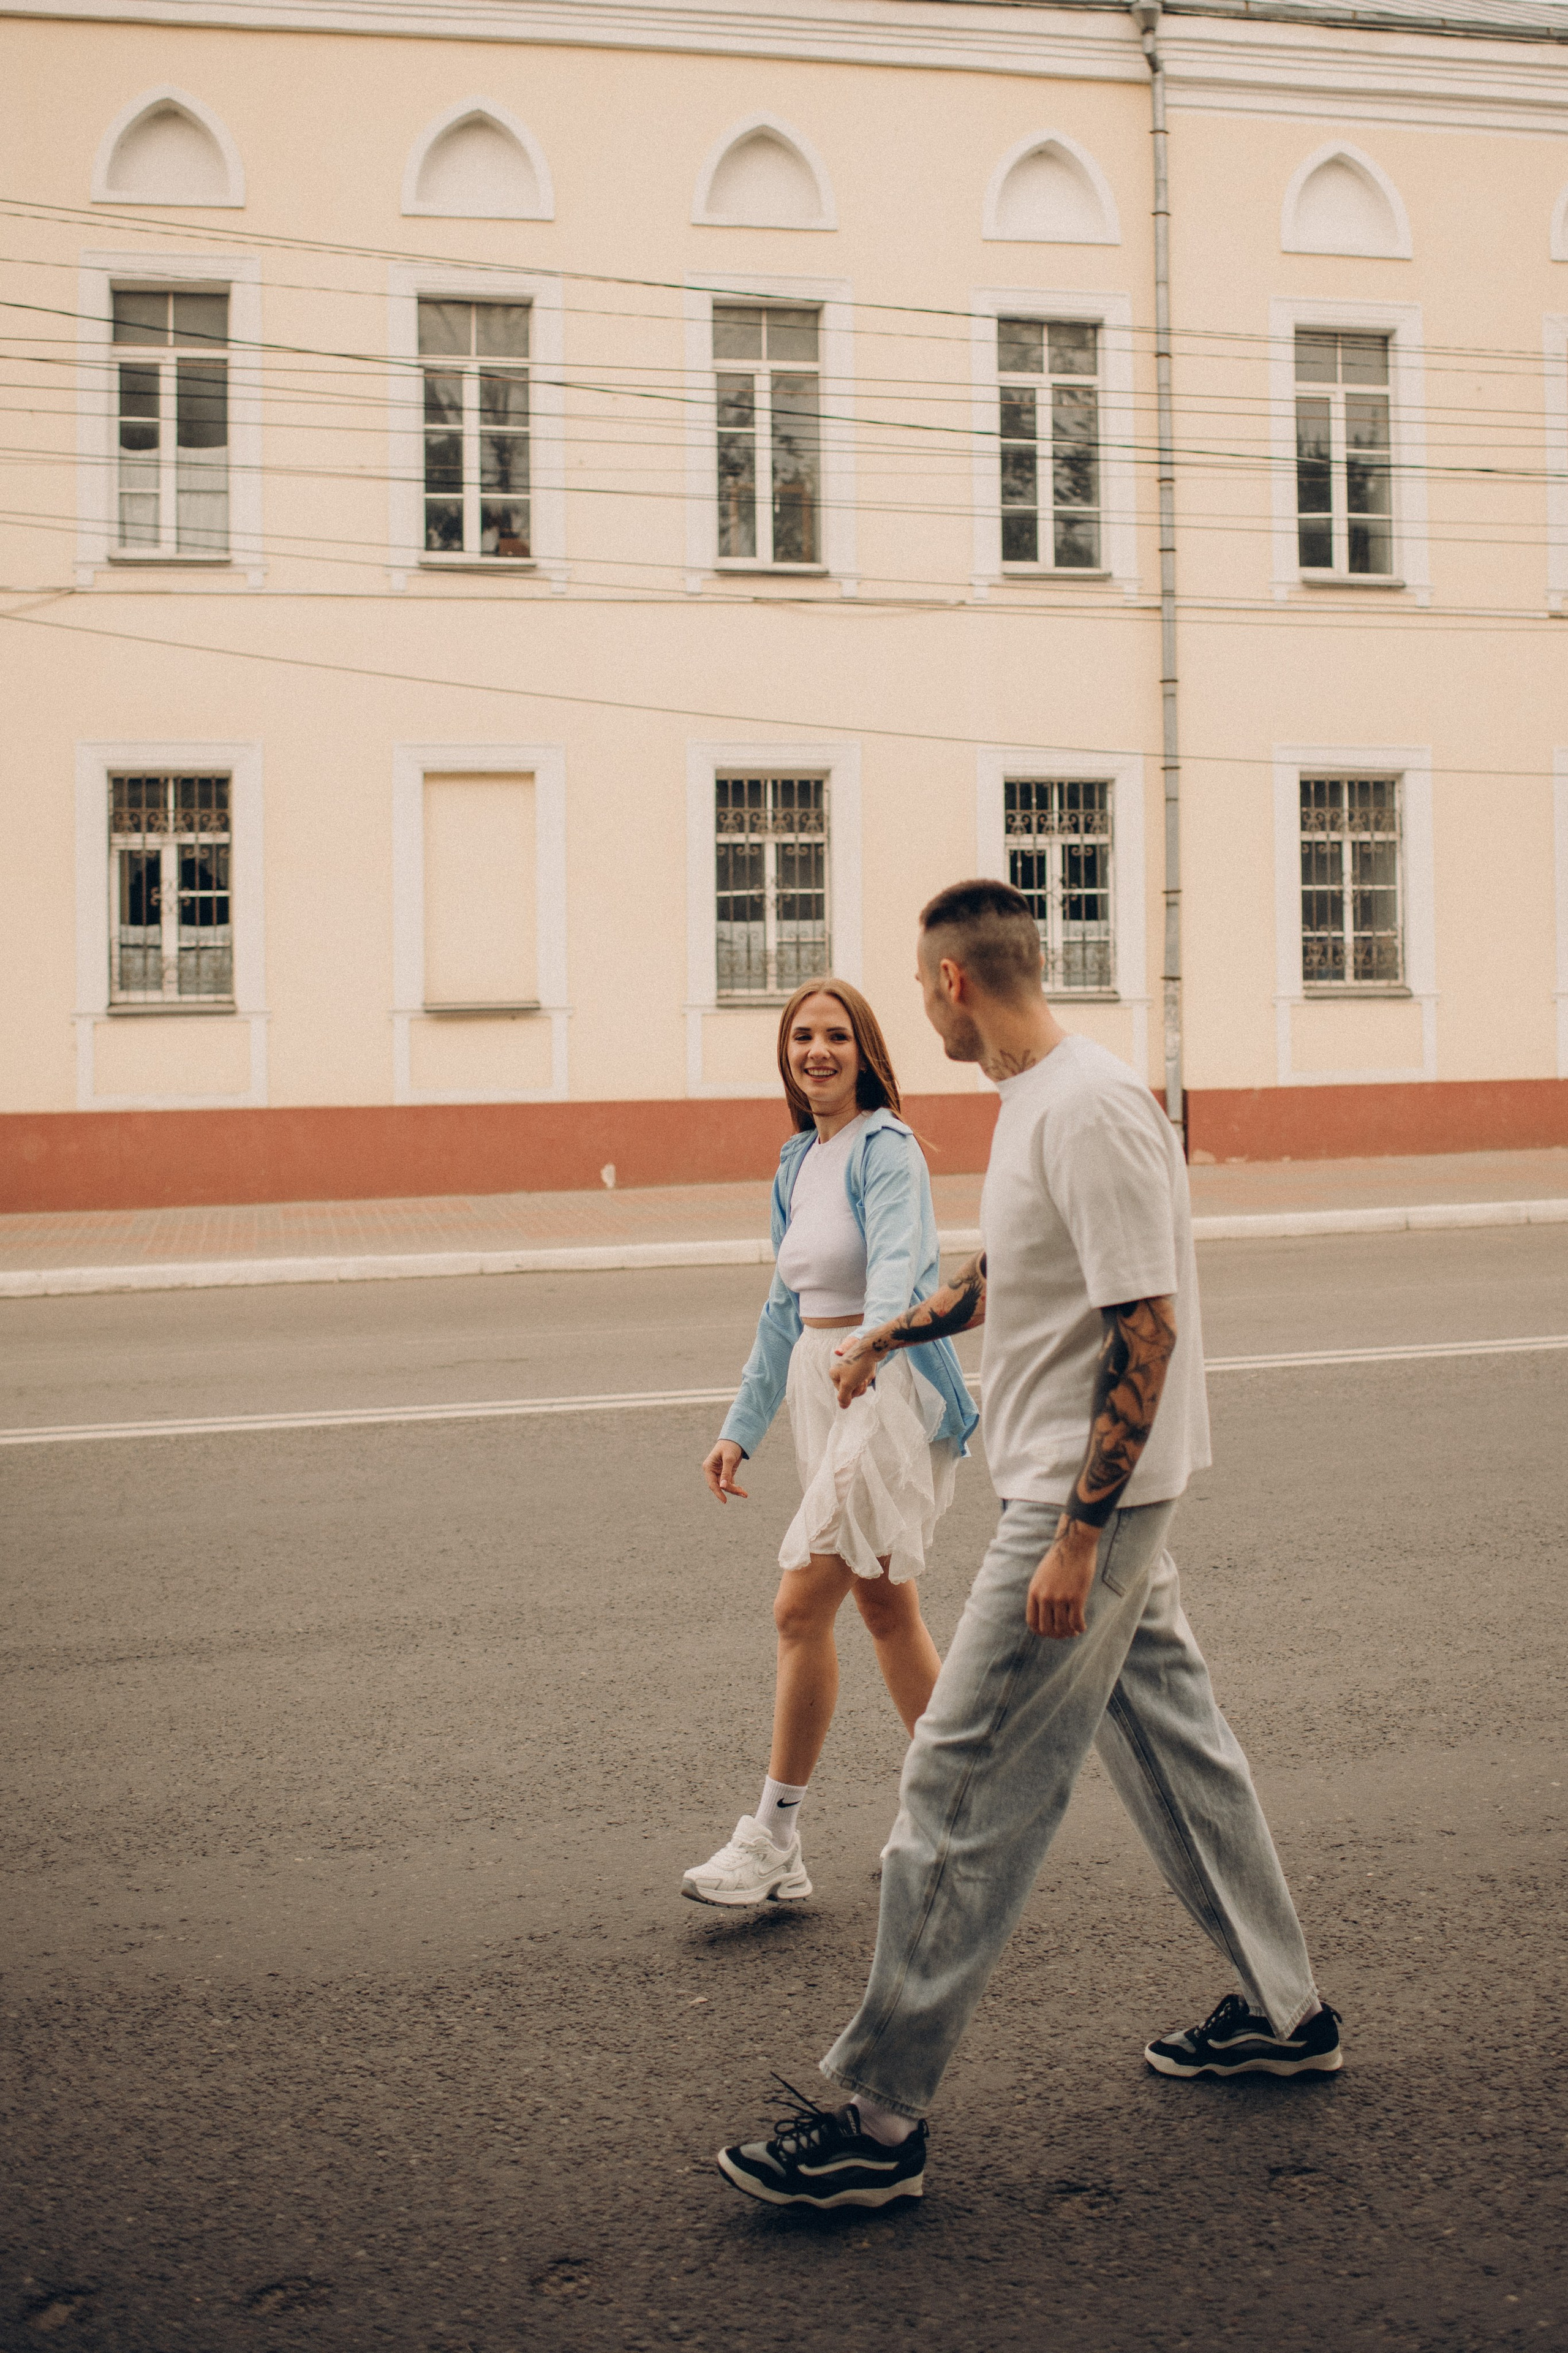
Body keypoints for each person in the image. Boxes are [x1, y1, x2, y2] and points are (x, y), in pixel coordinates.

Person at [715, 880, 1340, 2209]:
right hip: (1077, 1496)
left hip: (1077, 1506)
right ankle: (1286, 2014)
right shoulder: (1033, 1104)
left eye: (917, 984)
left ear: (952, 981)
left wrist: (1076, 1538)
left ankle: (878, 2122)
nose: (921, 1005)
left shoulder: (1090, 1106)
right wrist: (892, 1334)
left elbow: (1146, 1327)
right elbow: (1010, 1278)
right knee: (1180, 1749)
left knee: (959, 1780)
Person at [683, 978, 978, 1909]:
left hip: (876, 1388)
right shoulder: (799, 1160)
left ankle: (773, 1837)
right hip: (824, 1384)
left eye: (837, 1036)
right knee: (887, 1610)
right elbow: (783, 1308)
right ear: (787, 1054)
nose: (818, 1050)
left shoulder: (887, 1149)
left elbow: (896, 1265)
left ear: (865, 1052)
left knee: (798, 1610)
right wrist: (741, 1427)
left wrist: (870, 1347)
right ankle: (961, 1817)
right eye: (802, 1036)